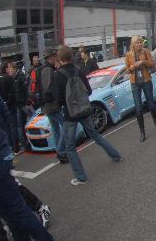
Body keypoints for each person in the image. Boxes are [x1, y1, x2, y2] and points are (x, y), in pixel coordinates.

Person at [0, 77, 59, 241]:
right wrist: (3, 141)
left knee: (15, 208)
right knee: (4, 208)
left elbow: (4, 114)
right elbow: (5, 113)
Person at [52, 46, 122, 185]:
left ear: (60, 59)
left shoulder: (58, 75)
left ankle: (81, 177)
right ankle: (116, 156)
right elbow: (89, 91)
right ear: (72, 57)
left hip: (70, 114)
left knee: (70, 146)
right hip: (84, 110)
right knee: (95, 135)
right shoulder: (78, 70)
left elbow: (58, 99)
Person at [125, 35, 156, 142]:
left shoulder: (146, 51)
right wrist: (131, 68)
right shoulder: (128, 54)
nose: (140, 44)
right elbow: (127, 70)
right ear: (133, 44)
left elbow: (152, 64)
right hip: (135, 83)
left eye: (141, 42)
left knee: (151, 104)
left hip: (146, 81)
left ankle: (155, 121)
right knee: (138, 108)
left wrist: (143, 62)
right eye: (137, 42)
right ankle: (142, 131)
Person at [38, 49, 67, 163]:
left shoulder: (46, 69)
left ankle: (60, 151)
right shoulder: (47, 69)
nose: (56, 58)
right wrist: (57, 96)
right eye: (55, 56)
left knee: (56, 130)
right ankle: (61, 151)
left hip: (48, 105)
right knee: (64, 126)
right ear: (51, 57)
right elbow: (47, 88)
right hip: (52, 104)